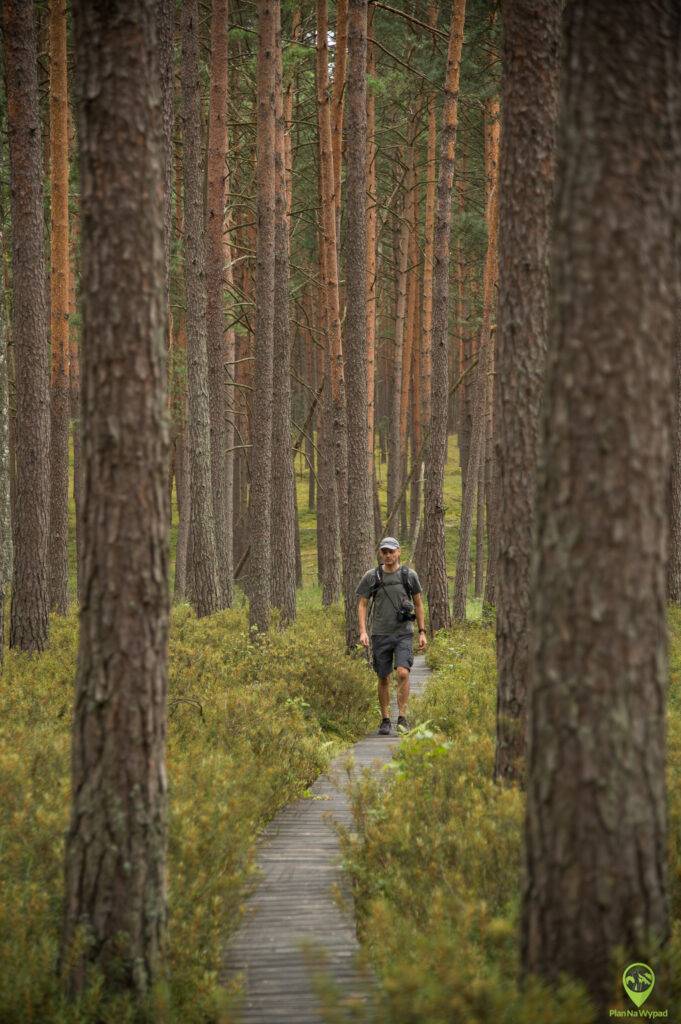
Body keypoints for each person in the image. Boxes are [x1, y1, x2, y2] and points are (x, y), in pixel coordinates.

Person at [356, 537, 427, 736]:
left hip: (404, 633)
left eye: (391, 551)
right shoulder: (372, 576)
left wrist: (422, 632)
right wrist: (363, 631)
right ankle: (385, 719)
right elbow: (362, 604)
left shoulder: (409, 575)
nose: (388, 555)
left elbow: (419, 603)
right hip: (380, 633)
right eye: (384, 552)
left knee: (403, 672)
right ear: (380, 553)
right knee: (383, 677)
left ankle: (402, 717)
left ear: (398, 552)